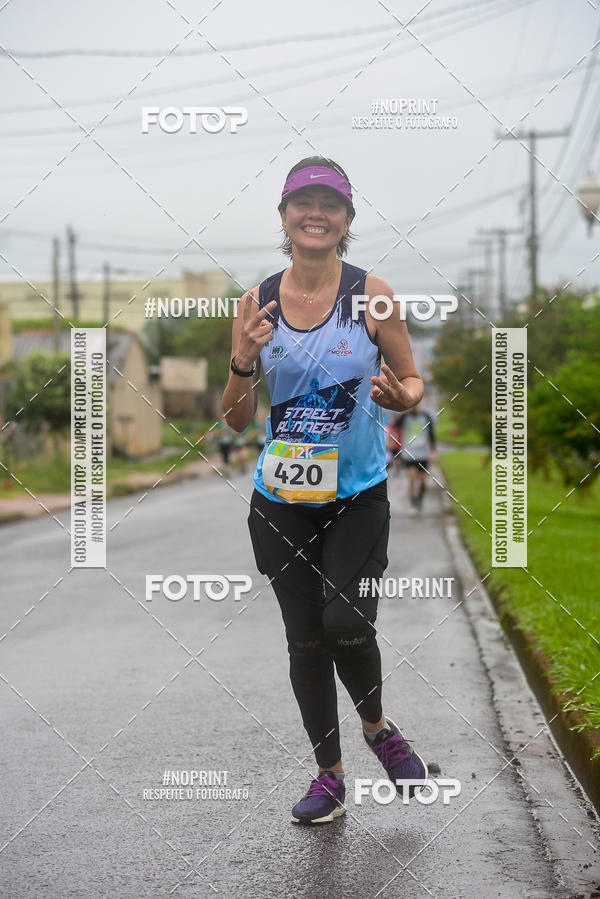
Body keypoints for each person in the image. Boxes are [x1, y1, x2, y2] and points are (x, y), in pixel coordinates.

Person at [222, 156, 428, 825]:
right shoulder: (257, 302)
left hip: (357, 494)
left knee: (345, 621)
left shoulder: (373, 295)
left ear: (346, 220)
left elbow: (412, 379)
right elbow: (234, 417)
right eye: (302, 203)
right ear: (284, 216)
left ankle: (377, 728)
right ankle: (329, 777)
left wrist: (404, 395)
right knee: (305, 639)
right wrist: (243, 360)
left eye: (330, 204)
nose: (316, 213)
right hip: (280, 502)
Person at [397, 404, 436, 515]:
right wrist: (405, 411)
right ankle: (413, 504)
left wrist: (432, 451)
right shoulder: (405, 417)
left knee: (423, 482)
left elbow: (432, 435)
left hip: (423, 454)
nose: (414, 408)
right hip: (409, 454)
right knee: (412, 478)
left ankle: (419, 499)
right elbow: (396, 425)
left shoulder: (426, 417)